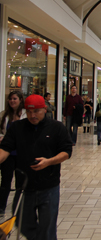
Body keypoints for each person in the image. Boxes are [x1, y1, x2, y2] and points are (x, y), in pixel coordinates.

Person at [0, 94, 73, 240]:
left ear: (45, 109)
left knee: (48, 228)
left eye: (36, 111)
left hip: (49, 186)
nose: (32, 115)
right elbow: (5, 148)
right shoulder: (17, 128)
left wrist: (49, 161)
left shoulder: (56, 127)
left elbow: (66, 152)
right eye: (29, 112)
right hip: (24, 187)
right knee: (23, 223)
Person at [0, 91, 27, 216]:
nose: (12, 101)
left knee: (20, 182)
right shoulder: (4, 115)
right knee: (5, 180)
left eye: (15, 98)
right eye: (10, 99)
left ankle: (17, 207)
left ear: (20, 100)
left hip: (21, 153)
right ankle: (1, 207)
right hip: (8, 153)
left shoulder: (26, 115)